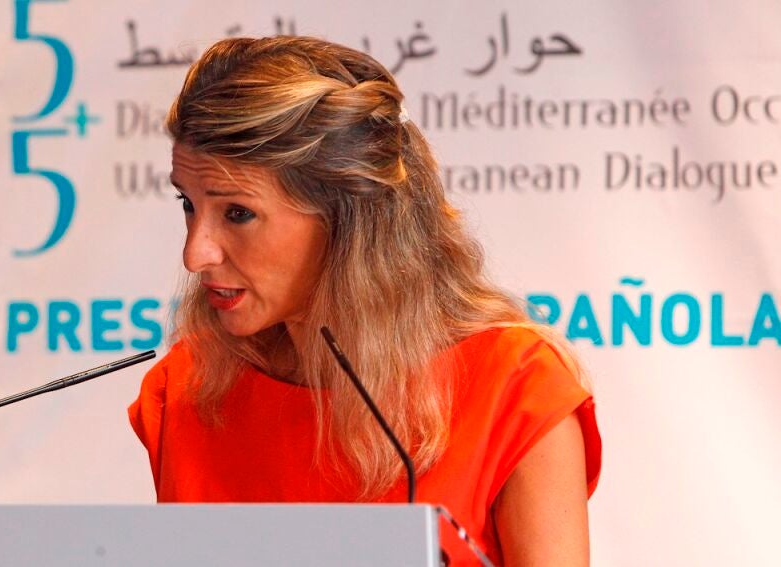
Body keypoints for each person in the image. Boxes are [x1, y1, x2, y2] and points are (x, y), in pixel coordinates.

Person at [129, 36, 601, 566]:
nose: (195, 254)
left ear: (349, 217)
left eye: (237, 213)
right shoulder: (186, 387)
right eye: (188, 204)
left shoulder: (515, 389)